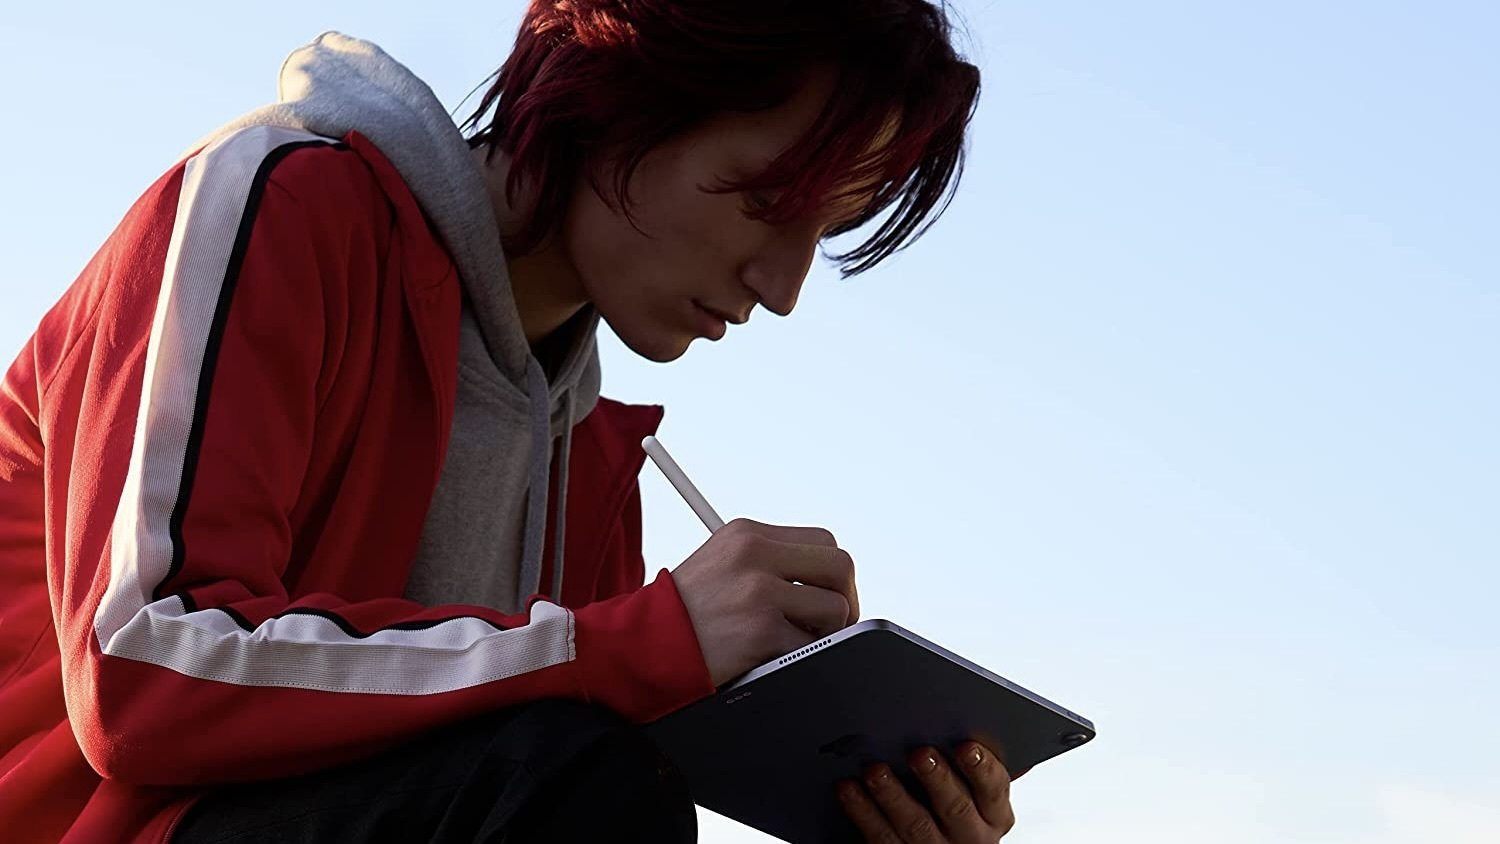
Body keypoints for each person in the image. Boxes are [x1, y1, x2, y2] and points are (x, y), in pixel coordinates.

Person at [0, 2, 1007, 841]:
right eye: (765, 202)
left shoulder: (597, 455)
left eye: (824, 232)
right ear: (617, 93)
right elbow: (141, 671)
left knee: (614, 776)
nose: (782, 288)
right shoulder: (279, 201)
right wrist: (636, 645)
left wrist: (861, 809)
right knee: (580, 775)